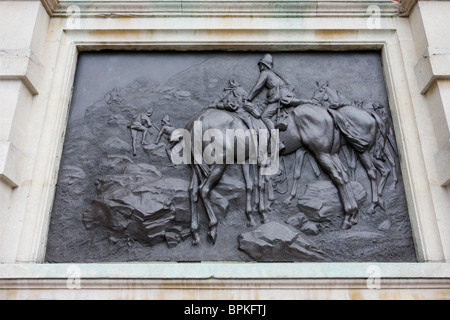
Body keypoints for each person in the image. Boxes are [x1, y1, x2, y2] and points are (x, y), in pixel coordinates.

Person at [245, 54, 306, 150]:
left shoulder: (265, 73)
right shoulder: (274, 74)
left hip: (280, 97)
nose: (260, 67)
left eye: (261, 64)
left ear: (265, 65)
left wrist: (248, 99)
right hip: (285, 95)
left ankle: (277, 142)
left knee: (265, 117)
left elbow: (258, 87)